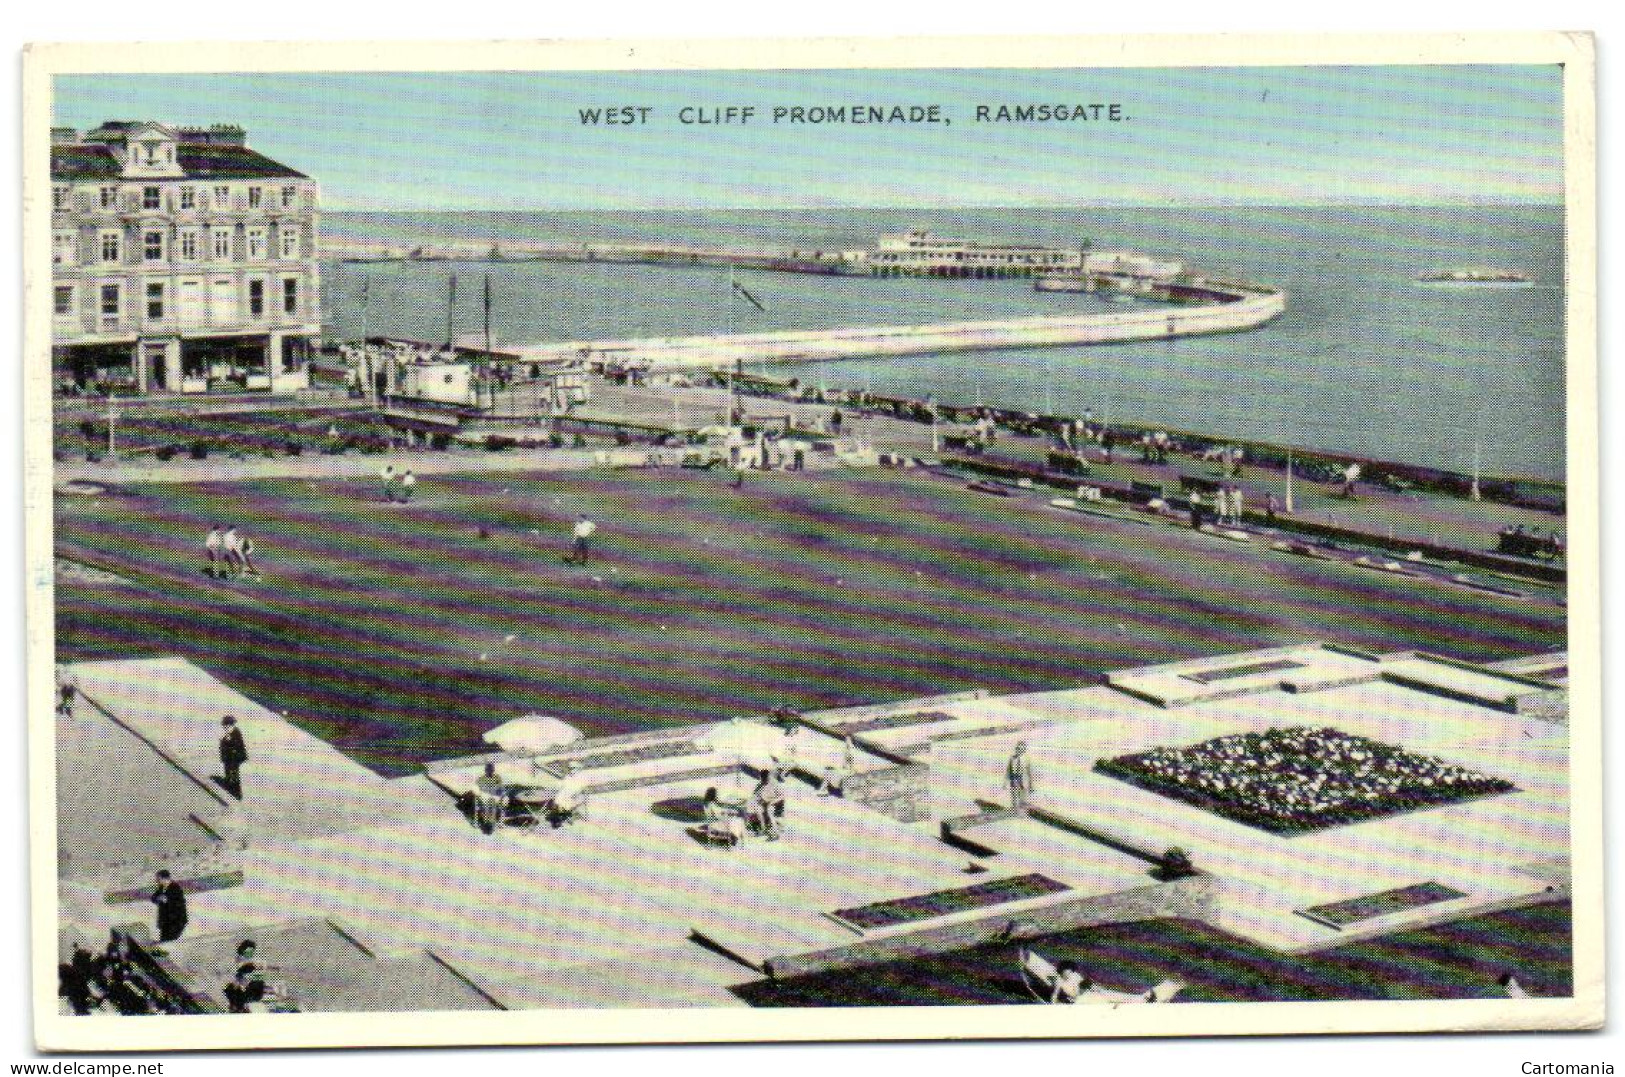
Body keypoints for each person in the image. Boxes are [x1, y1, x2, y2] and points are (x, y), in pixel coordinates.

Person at [224, 940, 267, 1013]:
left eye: (252, 951)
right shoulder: (238, 960)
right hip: (240, 988)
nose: (250, 953)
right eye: (248, 950)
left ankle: (239, 1007)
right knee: (233, 989)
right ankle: (238, 1007)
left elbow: (258, 971)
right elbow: (235, 971)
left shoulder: (255, 962)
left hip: (249, 989)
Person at [149, 869, 188, 945]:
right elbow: (153, 898)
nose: (157, 880)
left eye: (158, 879)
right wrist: (158, 898)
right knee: (164, 942)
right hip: (165, 922)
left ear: (165, 878)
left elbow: (180, 903)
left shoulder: (175, 888)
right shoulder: (161, 888)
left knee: (168, 943)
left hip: (176, 921)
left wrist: (167, 900)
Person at [218, 715, 248, 800]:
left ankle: (236, 793)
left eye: (226, 726)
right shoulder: (230, 733)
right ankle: (228, 787)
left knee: (234, 774)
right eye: (224, 726)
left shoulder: (236, 732)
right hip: (229, 758)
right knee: (228, 771)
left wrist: (228, 740)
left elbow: (237, 746)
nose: (225, 727)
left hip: (235, 758)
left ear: (231, 725)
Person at [474, 762, 505, 834]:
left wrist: (501, 796)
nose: (490, 771)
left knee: (497, 808)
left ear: (493, 770)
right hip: (485, 799)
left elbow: (501, 789)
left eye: (491, 770)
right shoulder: (480, 779)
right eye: (488, 770)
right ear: (485, 770)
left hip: (494, 799)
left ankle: (493, 824)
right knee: (486, 809)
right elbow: (477, 791)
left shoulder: (497, 778)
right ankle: (487, 825)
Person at [1007, 741, 1036, 809]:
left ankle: (1022, 804)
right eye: (1018, 748)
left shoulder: (1026, 759)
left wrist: (1031, 784)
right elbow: (1009, 769)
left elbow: (1029, 771)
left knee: (1023, 792)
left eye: (1021, 749)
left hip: (1022, 776)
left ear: (1024, 750)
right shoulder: (1012, 758)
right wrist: (1006, 781)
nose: (1019, 750)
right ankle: (1014, 807)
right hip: (1014, 776)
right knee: (1014, 792)